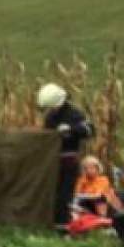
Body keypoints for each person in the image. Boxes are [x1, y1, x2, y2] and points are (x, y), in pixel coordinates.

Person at [37, 83, 95, 231]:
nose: (51, 110)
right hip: (52, 161)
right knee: (53, 193)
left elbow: (89, 130)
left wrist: (72, 130)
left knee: (65, 194)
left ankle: (63, 225)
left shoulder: (74, 114)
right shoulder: (50, 117)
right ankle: (52, 222)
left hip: (69, 161)